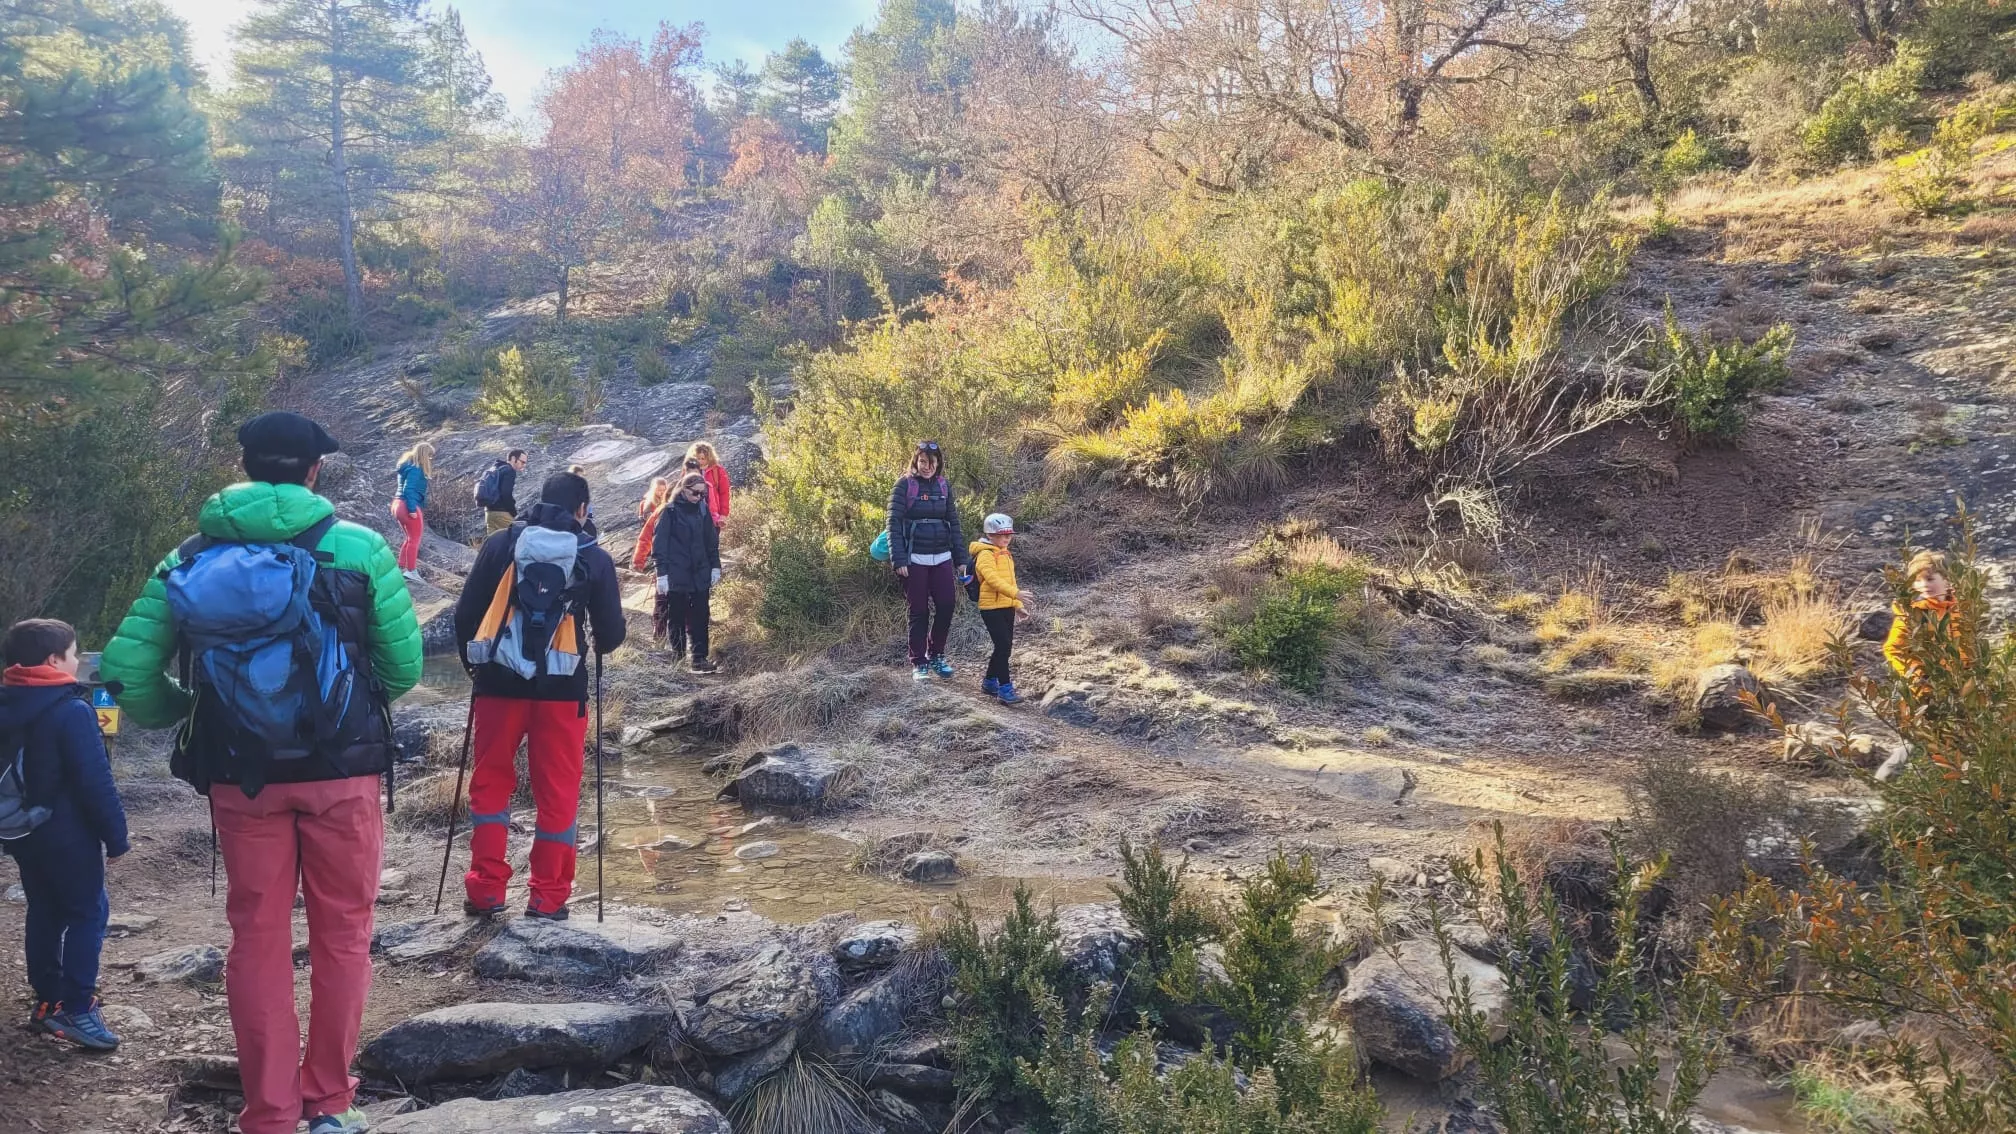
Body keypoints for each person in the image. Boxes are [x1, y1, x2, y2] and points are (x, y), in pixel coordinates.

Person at [101, 410, 422, 1134]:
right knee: (344, 934)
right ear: (314, 472)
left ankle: (269, 1114)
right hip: (342, 773)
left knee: (257, 937)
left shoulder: (186, 556)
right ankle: (330, 1103)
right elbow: (400, 668)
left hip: (241, 777)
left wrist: (196, 710)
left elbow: (124, 673)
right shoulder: (359, 548)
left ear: (246, 467)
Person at [454, 471, 626, 920]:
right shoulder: (592, 556)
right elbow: (611, 636)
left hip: (496, 685)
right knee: (558, 794)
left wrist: (476, 667)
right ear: (582, 510)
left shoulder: (500, 545)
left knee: (490, 785)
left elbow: (465, 614)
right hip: (562, 691)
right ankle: (547, 897)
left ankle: (486, 891)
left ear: (537, 502)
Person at [1, 618, 129, 1052]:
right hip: (66, 833)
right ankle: (77, 1008)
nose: (76, 662)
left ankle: (47, 1002)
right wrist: (117, 837)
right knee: (87, 913)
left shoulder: (7, 701)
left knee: (44, 909)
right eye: (73, 653)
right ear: (54, 659)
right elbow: (95, 781)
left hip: (20, 831)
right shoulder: (71, 709)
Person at [887, 440, 968, 682]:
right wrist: (898, 559)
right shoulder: (904, 485)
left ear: (939, 463)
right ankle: (919, 661)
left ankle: (936, 654)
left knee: (946, 606)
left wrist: (961, 559)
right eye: (923, 461)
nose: (927, 467)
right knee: (918, 611)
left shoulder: (944, 486)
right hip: (913, 559)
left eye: (932, 462)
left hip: (942, 556)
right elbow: (892, 525)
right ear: (916, 461)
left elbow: (953, 523)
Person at [651, 472, 721, 671]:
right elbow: (659, 546)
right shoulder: (669, 512)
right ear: (683, 490)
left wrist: (715, 566)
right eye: (696, 493)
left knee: (701, 615)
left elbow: (711, 542)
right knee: (677, 616)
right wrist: (661, 574)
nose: (699, 497)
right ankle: (678, 656)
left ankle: (699, 658)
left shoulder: (703, 509)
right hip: (677, 572)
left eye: (703, 494)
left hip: (700, 572)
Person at [970, 514, 1032, 705]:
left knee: (1004, 647)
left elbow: (1010, 581)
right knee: (1003, 646)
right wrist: (1016, 594)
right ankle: (1005, 688)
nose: (1007, 538)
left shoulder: (1005, 553)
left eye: (1009, 535)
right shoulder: (984, 554)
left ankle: (989, 681)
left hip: (1006, 606)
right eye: (1002, 535)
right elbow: (993, 580)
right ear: (990, 534)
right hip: (990, 607)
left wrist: (1017, 606)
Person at [1884, 549, 1959, 680]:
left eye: (1930, 579)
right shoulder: (1912, 614)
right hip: (1926, 692)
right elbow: (1892, 649)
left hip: (1958, 687)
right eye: (1917, 580)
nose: (1924, 585)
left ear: (1947, 580)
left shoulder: (1958, 610)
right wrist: (1918, 674)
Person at [392, 441, 434, 582]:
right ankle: (411, 571)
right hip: (407, 505)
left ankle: (400, 567)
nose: (430, 460)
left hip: (397, 504)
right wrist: (412, 510)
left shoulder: (406, 466)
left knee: (409, 539)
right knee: (414, 540)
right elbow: (408, 489)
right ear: (424, 455)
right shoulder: (416, 469)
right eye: (429, 456)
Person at [477, 449, 528, 535]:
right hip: (501, 513)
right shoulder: (509, 471)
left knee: (493, 544)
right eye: (522, 462)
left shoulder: (497, 468)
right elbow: (506, 494)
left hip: (489, 513)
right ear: (513, 458)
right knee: (520, 537)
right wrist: (514, 513)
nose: (524, 465)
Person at [630, 476, 674, 574]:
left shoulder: (670, 503)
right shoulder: (647, 505)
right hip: (655, 537)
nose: (661, 493)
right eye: (659, 490)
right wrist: (638, 563)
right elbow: (646, 534)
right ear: (653, 490)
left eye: (664, 490)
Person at [687, 441, 731, 528]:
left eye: (703, 458)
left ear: (709, 458)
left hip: (713, 515)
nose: (700, 461)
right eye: (698, 458)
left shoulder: (718, 471)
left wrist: (723, 514)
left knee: (711, 540)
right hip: (693, 515)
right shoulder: (688, 471)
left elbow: (724, 493)